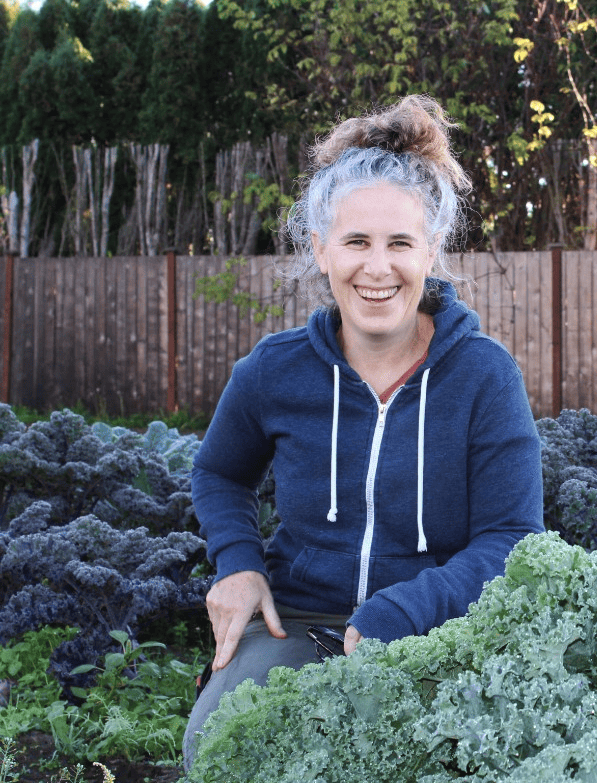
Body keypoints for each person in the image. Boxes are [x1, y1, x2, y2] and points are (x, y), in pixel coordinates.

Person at [183, 94, 544, 768]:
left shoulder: (485, 377)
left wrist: (402, 610)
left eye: (400, 243)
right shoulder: (273, 371)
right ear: (321, 251)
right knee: (218, 750)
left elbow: (513, 538)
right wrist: (238, 565)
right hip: (300, 620)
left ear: (431, 252)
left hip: (440, 627)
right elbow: (219, 471)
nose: (377, 269)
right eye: (356, 242)